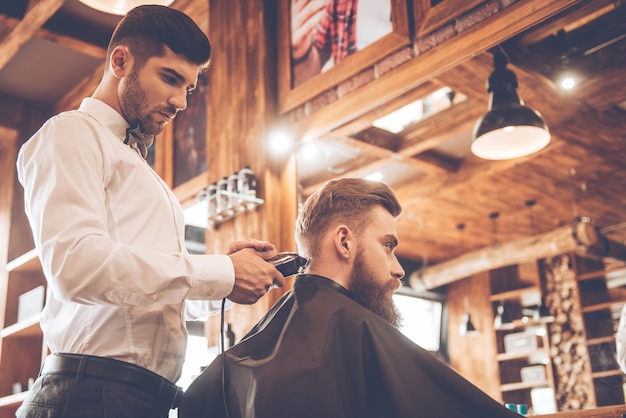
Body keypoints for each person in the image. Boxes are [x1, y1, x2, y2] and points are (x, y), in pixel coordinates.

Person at [16, 5, 284, 418]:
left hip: (141, 399)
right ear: (120, 61)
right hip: (89, 395)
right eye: (170, 78)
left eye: (189, 88)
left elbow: (152, 305)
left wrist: (226, 276)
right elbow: (77, 268)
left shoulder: (143, 170)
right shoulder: (70, 133)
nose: (180, 101)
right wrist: (218, 272)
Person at [179, 178, 520, 418]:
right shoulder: (355, 332)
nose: (399, 269)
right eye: (388, 246)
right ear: (344, 241)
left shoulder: (233, 364)